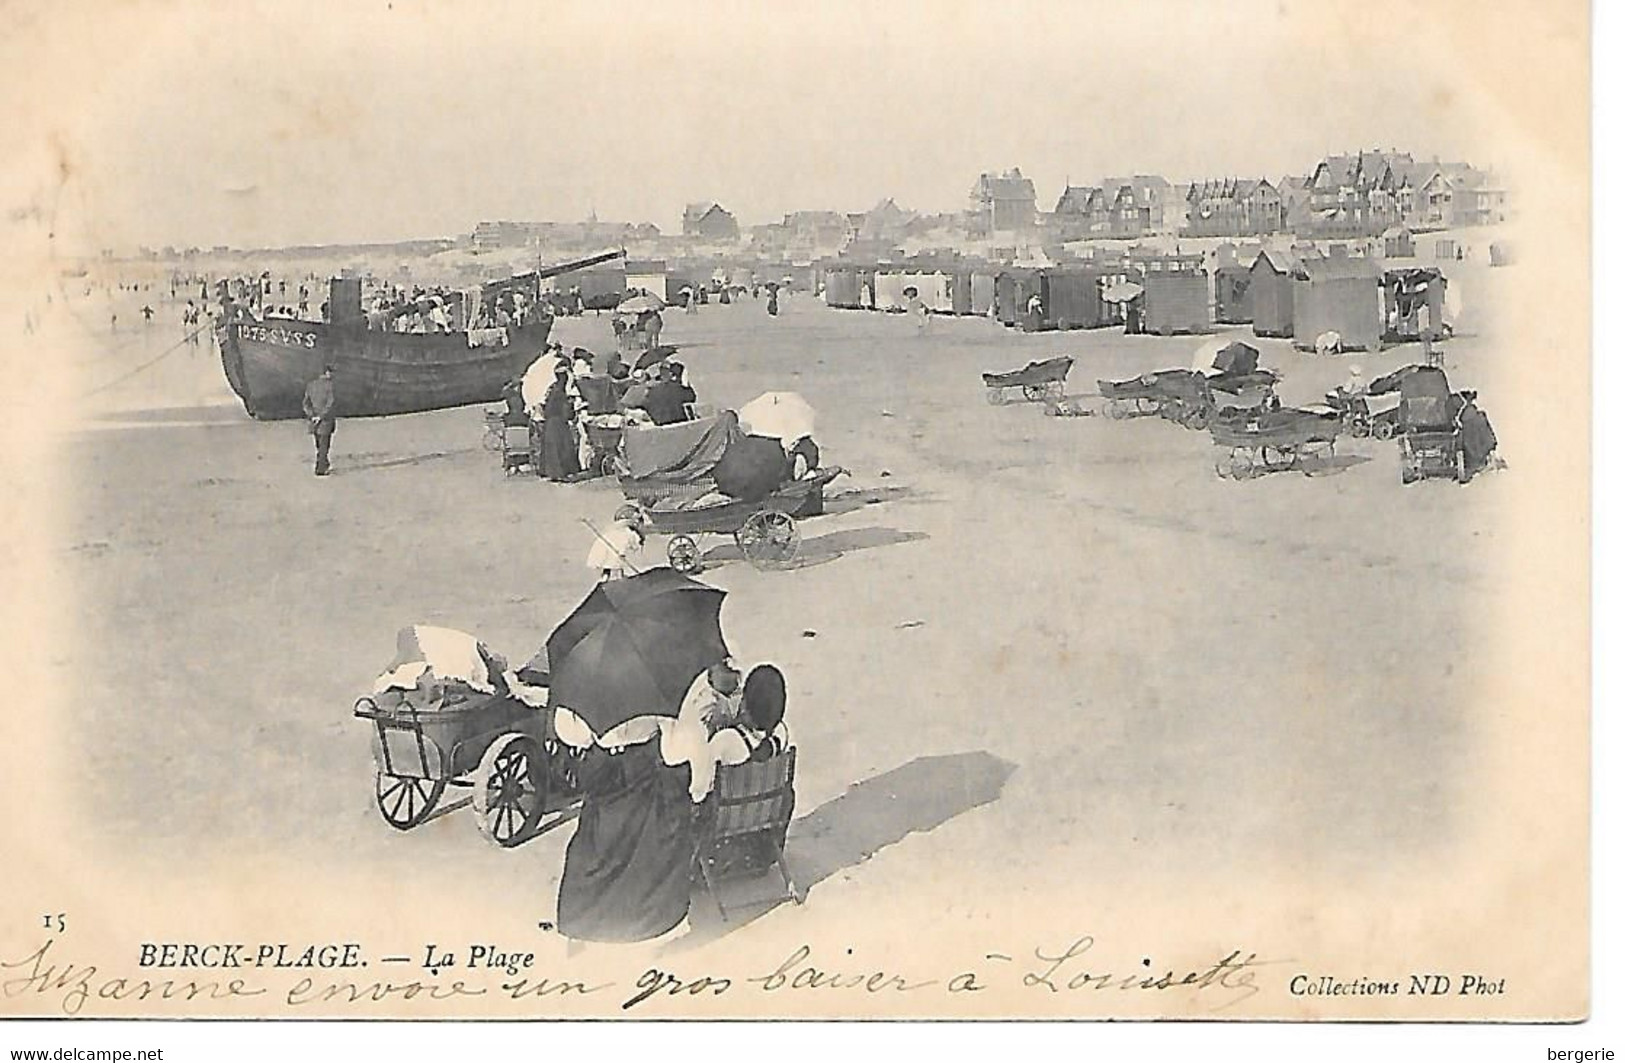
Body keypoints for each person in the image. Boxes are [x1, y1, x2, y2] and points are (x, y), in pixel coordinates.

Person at [539, 362, 583, 481]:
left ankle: (551, 473)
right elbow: (567, 412)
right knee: (562, 447)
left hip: (550, 422)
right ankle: (561, 473)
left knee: (552, 449)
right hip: (559, 422)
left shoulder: (552, 388)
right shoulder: (562, 392)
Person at [586, 506, 646, 581]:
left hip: (608, 550)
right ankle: (617, 578)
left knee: (609, 564)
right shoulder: (629, 534)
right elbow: (632, 545)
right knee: (616, 564)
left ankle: (605, 578)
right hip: (613, 551)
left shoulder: (614, 532)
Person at [302, 366, 338, 477]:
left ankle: (324, 464)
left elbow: (305, 403)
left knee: (319, 444)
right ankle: (320, 468)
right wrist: (321, 416)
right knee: (324, 446)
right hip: (325, 421)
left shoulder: (311, 385)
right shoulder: (330, 386)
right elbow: (330, 403)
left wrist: (312, 415)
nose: (332, 375)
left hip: (313, 421)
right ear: (326, 373)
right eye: (331, 373)